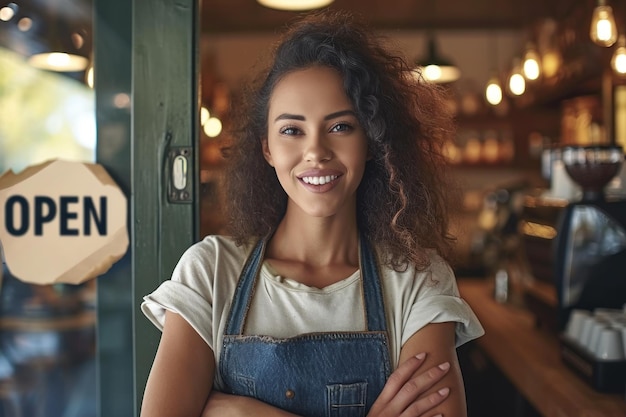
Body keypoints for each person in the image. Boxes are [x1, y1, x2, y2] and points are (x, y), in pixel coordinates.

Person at [140, 9, 484, 417]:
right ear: (266, 147)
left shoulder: (417, 280)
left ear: (371, 141)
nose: (316, 152)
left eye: (340, 127)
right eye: (291, 130)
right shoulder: (211, 273)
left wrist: (238, 412)